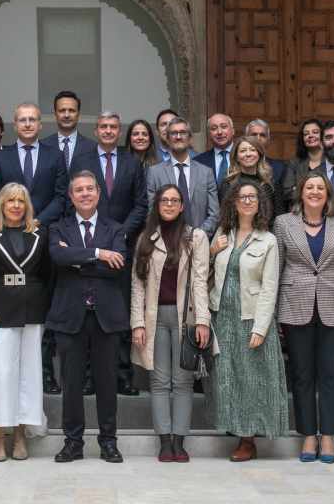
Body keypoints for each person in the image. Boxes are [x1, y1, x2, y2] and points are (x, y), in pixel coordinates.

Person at [272, 171, 334, 464]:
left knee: (332, 374)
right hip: (294, 305)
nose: (314, 192)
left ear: (328, 194)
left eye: (319, 188)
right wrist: (272, 315)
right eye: (309, 187)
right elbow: (276, 268)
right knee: (301, 375)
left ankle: (328, 436)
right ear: (301, 193)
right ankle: (309, 434)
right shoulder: (284, 223)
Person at [0, 102, 71, 394]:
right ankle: (7, 377)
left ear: (40, 124)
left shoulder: (55, 156)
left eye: (32, 120)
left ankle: (45, 373)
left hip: (42, 238)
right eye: (22, 120)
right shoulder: (1, 157)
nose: (27, 124)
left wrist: (35, 221)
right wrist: (15, 221)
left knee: (43, 306)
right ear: (14, 124)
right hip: (7, 241)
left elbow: (62, 198)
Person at [47, 171, 129, 463]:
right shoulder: (58, 228)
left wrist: (79, 258)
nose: (84, 194)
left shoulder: (116, 228)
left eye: (89, 189)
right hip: (70, 315)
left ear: (98, 193)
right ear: (70, 196)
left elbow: (117, 265)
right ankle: (73, 442)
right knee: (70, 384)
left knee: (107, 383)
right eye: (78, 190)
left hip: (107, 315)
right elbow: (58, 258)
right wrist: (97, 253)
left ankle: (108, 441)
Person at [208, 182, 289, 462]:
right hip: (222, 315)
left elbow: (270, 288)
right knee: (228, 377)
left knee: (251, 378)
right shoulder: (222, 234)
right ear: (232, 202)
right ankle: (235, 429)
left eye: (252, 197)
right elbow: (202, 272)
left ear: (260, 203)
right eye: (242, 196)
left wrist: (261, 327)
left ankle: (248, 439)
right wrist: (211, 251)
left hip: (250, 317)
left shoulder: (268, 240)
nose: (247, 201)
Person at [130, 184, 210, 462]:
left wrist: (202, 320)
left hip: (184, 318)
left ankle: (180, 440)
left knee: (183, 381)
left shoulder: (195, 237)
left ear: (183, 205)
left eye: (175, 200)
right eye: (164, 200)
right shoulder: (146, 239)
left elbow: (200, 281)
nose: (169, 205)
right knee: (160, 381)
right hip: (154, 318)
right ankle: (164, 441)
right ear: (157, 204)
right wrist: (137, 323)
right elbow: (137, 286)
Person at [71, 111, 149, 396]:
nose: (107, 131)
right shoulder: (82, 162)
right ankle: (91, 376)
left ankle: (123, 375)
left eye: (113, 127)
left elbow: (141, 204)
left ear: (119, 131)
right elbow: (77, 199)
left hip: (122, 248)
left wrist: (120, 233)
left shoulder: (132, 162)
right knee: (91, 313)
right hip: (90, 247)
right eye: (102, 126)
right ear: (96, 130)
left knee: (120, 313)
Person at [0, 183, 51, 461]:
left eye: (21, 201)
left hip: (32, 311)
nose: (16, 205)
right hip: (0, 312)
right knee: (1, 375)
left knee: (28, 376)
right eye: (10, 201)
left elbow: (47, 275)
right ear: (1, 205)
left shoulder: (40, 233)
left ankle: (20, 435)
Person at [146, 117, 219, 237]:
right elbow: (151, 212)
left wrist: (197, 236)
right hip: (165, 242)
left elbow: (214, 213)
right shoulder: (155, 173)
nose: (178, 136)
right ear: (168, 139)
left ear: (190, 138)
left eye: (183, 133)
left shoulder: (206, 173)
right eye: (174, 133)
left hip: (199, 243)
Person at [218, 135, 283, 220]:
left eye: (252, 150)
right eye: (243, 151)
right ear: (236, 157)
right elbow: (224, 216)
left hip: (266, 231)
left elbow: (279, 215)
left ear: (259, 154)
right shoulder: (228, 184)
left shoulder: (270, 182)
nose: (248, 154)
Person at [41, 90, 97, 169]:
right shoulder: (42, 146)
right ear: (55, 114)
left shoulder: (93, 147)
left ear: (78, 114)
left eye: (71, 110)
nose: (67, 115)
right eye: (62, 110)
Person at [280, 118, 325, 209]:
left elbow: (333, 191)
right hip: (298, 212)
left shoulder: (331, 162)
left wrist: (299, 189)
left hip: (327, 213)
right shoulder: (294, 163)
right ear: (303, 139)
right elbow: (288, 192)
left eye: (315, 132)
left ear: (323, 136)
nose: (310, 135)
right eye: (306, 134)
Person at [193, 113, 235, 187]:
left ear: (233, 131)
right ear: (209, 134)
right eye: (214, 128)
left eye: (224, 127)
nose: (219, 132)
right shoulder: (198, 162)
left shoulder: (245, 156)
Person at [243, 118, 287, 189]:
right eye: (254, 134)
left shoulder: (279, 168)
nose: (258, 138)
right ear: (245, 138)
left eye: (262, 135)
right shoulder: (236, 167)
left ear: (268, 140)